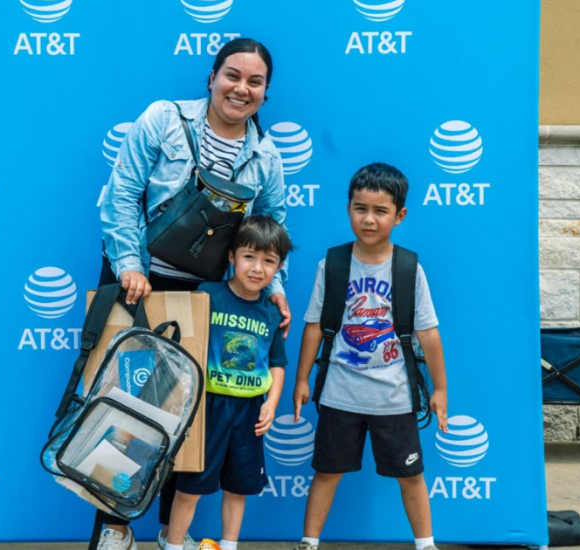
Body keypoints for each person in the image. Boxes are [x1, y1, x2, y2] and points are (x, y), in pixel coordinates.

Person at [96, 38, 290, 550]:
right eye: (232, 75)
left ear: (266, 94)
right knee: (127, 409)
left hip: (203, 296)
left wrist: (273, 286)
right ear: (211, 77)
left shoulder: (266, 157)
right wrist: (131, 266)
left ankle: (169, 535)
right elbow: (120, 193)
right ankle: (114, 528)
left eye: (254, 82)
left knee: (183, 418)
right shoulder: (164, 119)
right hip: (141, 282)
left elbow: (271, 227)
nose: (241, 88)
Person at [291, 163, 450, 550]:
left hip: (394, 396)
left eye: (381, 211)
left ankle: (426, 544)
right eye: (360, 208)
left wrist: (440, 388)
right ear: (348, 209)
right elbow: (314, 325)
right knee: (326, 472)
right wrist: (300, 380)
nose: (369, 219)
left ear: (400, 216)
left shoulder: (409, 268)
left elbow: (428, 332)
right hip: (339, 393)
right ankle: (308, 543)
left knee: (411, 475)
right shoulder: (333, 264)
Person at [167, 215, 291, 550]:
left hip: (249, 412)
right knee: (190, 487)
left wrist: (271, 402)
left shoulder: (270, 313)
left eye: (269, 261)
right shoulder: (207, 295)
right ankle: (174, 544)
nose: (257, 268)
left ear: (279, 267)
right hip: (207, 407)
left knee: (239, 488)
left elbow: (277, 364)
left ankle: (230, 544)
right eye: (249, 256)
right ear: (232, 256)